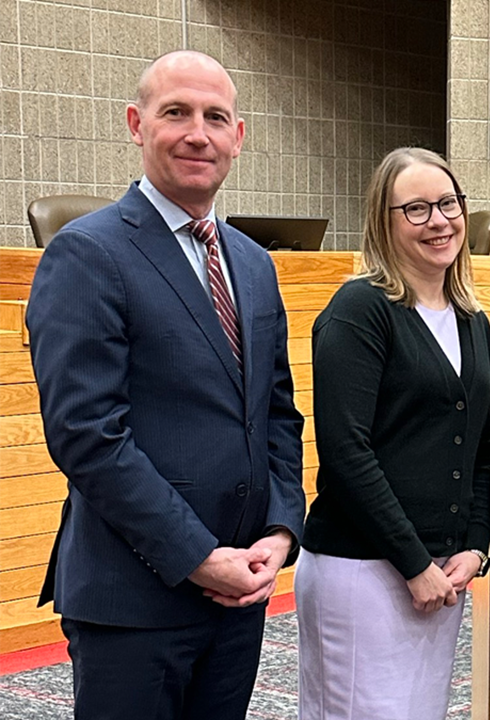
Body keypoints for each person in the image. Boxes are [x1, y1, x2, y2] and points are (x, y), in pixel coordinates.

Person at [26, 51, 305, 719]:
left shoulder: (254, 264)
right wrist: (198, 557)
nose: (197, 133)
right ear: (135, 123)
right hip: (136, 601)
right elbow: (88, 436)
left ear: (239, 136)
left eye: (216, 117)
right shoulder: (87, 254)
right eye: (175, 112)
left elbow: (276, 415)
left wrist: (280, 529)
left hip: (239, 598)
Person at [294, 148, 490, 720]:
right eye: (416, 209)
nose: (439, 221)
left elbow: (483, 442)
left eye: (448, 203)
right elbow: (345, 452)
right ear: (384, 222)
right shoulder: (360, 310)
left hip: (440, 572)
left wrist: (475, 547)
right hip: (363, 573)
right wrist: (414, 563)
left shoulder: (470, 319)